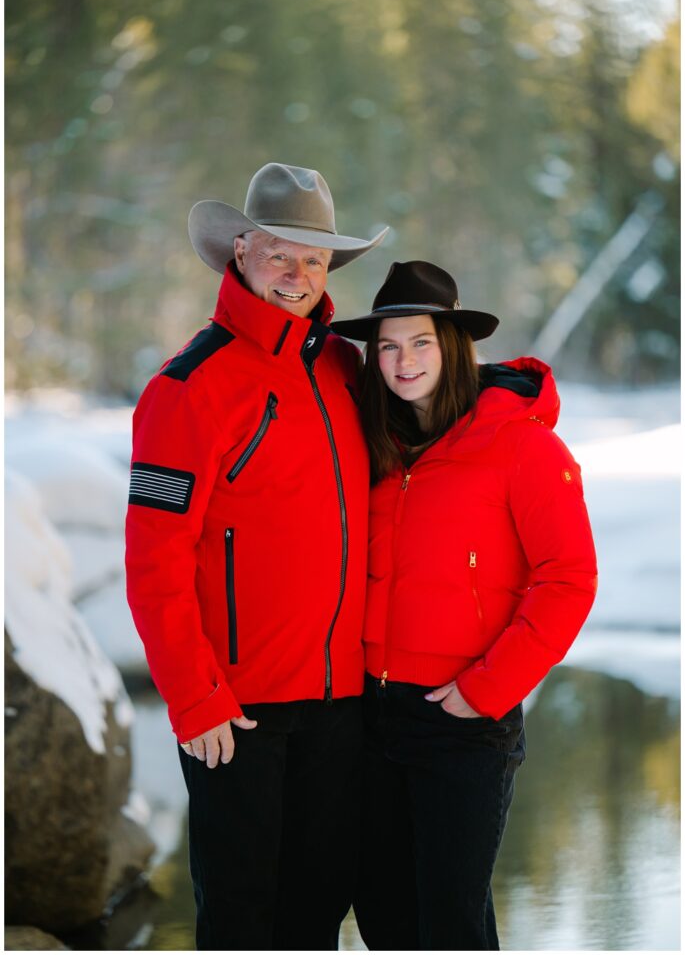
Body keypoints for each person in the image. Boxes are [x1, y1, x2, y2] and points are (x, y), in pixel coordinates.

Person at [125, 162, 388, 950]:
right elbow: (152, 561)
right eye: (280, 253)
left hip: (340, 709)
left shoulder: (345, 370)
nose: (296, 274)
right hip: (237, 714)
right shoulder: (187, 387)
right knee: (241, 919)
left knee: (314, 918)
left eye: (313, 259)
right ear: (240, 251)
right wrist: (194, 698)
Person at [331, 259, 598, 951]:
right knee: (386, 916)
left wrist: (483, 692)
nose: (401, 361)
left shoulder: (520, 444)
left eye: (419, 342)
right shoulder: (376, 444)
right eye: (386, 346)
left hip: (462, 719)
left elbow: (567, 578)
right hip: (370, 714)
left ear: (452, 345)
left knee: (450, 922)